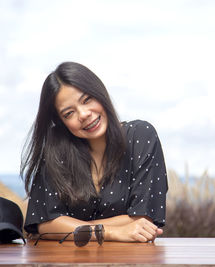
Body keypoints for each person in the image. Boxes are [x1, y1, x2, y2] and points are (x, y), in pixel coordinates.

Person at [21, 62, 168, 243]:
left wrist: (72, 226)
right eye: (69, 113)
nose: (83, 114)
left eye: (87, 100)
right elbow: (46, 224)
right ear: (61, 122)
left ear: (100, 94)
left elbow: (142, 221)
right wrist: (108, 232)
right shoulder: (56, 150)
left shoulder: (141, 136)